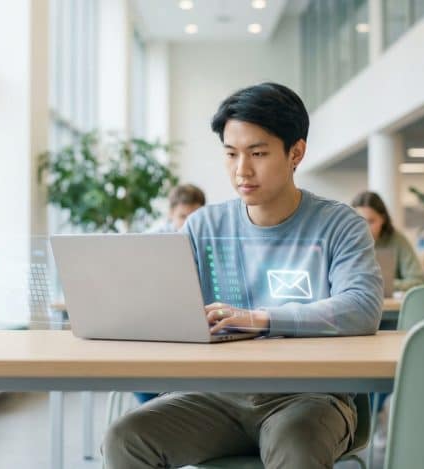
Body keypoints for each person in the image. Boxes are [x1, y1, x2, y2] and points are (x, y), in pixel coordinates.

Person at [103, 83, 383, 469]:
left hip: (310, 397)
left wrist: (261, 319)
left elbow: (362, 308)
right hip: (215, 396)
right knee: (125, 439)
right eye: (231, 154)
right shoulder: (203, 226)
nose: (241, 170)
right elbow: (171, 311)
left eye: (258, 153)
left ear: (296, 153)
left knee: (296, 450)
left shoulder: (340, 225)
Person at [135, 184, 207, 404]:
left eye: (194, 217)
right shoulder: (149, 241)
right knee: (141, 367)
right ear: (170, 214)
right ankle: (158, 407)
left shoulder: (209, 239)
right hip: (156, 319)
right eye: (182, 216)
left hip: (196, 321)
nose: (188, 224)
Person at [350, 191, 424, 293]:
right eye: (359, 221)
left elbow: (419, 281)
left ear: (383, 219)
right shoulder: (347, 242)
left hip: (390, 307)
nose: (365, 228)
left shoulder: (398, 241)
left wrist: (385, 284)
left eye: (371, 221)